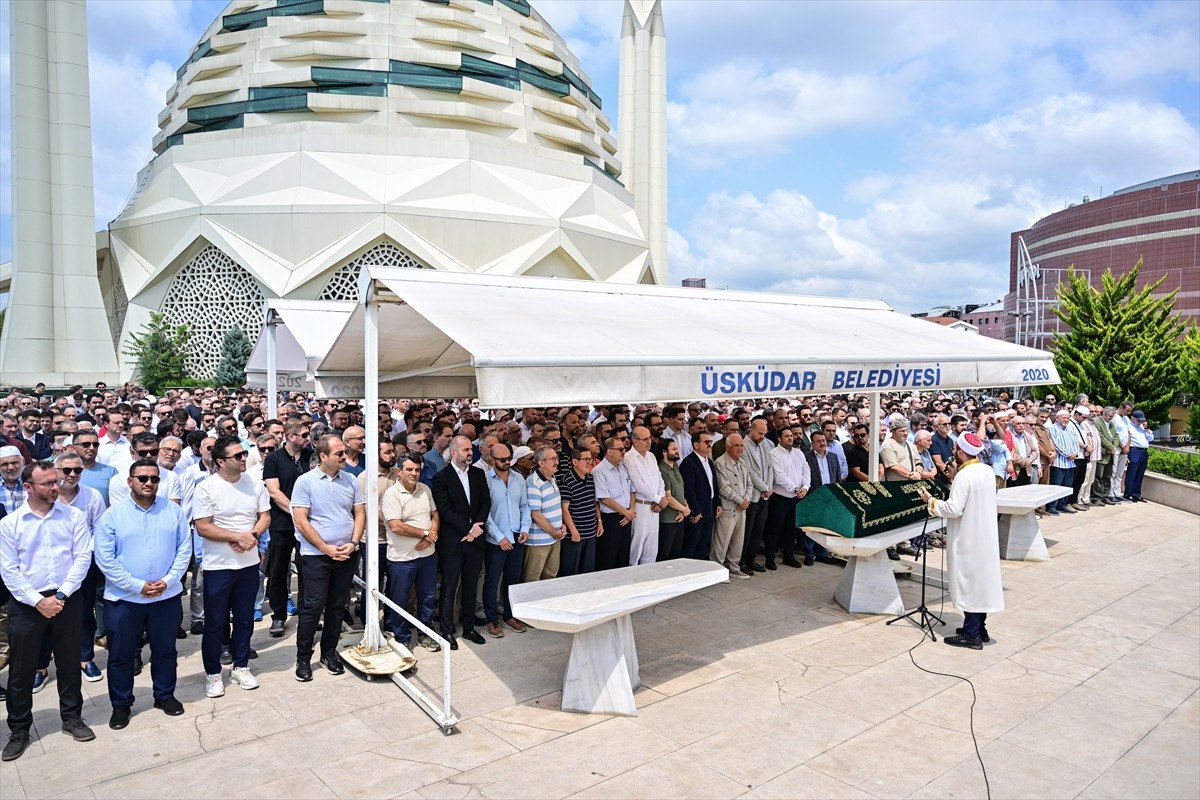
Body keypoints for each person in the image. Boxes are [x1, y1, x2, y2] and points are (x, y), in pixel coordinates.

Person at [0, 462, 95, 761]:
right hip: (27, 603)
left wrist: (63, 593)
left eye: (56, 481)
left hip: (68, 597)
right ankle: (19, 729)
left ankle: (72, 718)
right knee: (21, 670)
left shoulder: (74, 515)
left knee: (69, 663)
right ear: (28, 487)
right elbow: (9, 569)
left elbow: (82, 556)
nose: (56, 487)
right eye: (48, 484)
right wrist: (37, 601)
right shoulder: (10, 524)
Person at [94, 459, 192, 729]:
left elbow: (184, 549)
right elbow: (105, 558)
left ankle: (164, 695)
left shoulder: (173, 511)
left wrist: (169, 580)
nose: (149, 483)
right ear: (130, 481)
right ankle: (121, 705)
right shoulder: (112, 515)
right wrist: (137, 585)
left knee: (165, 650)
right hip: (125, 599)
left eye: (154, 478)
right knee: (121, 655)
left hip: (165, 596)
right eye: (142, 478)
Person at [194, 436, 270, 697]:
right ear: (220, 462)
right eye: (237, 456)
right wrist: (237, 537)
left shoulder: (254, 483)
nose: (243, 459)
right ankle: (213, 673)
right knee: (215, 622)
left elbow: (265, 516)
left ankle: (241, 666)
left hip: (247, 564)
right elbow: (203, 526)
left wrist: (254, 537)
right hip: (219, 566)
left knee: (245, 618)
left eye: (244, 454)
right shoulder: (207, 488)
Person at [917, 433, 1004, 650]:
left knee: (970, 585)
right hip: (984, 536)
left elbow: (953, 509)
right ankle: (979, 628)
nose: (952, 452)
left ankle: (971, 635)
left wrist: (930, 500)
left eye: (955, 449)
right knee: (979, 583)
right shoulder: (985, 470)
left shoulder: (964, 477)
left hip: (969, 538)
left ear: (961, 452)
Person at [290, 435, 364, 681]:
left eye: (344, 452)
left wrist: (353, 543)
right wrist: (325, 547)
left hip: (346, 554)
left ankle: (329, 653)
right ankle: (303, 658)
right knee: (313, 607)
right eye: (339, 454)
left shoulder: (351, 480)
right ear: (323, 456)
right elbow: (300, 520)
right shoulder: (305, 482)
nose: (345, 457)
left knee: (337, 605)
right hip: (315, 556)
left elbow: (359, 513)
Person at [430, 435, 490, 649]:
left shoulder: (478, 474)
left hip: (475, 541)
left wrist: (476, 530)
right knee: (449, 587)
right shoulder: (441, 478)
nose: (470, 452)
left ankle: (469, 628)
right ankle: (447, 631)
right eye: (465, 449)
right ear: (454, 453)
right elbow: (445, 510)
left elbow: (485, 502)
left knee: (471, 586)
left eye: (470, 449)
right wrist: (468, 528)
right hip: (453, 543)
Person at [381, 454, 441, 652]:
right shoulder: (392, 494)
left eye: (417, 469)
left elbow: (434, 514)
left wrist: (430, 536)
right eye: (409, 469)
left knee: (427, 597)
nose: (414, 473)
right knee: (401, 599)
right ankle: (401, 637)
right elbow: (396, 526)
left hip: (427, 555)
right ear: (399, 472)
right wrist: (425, 533)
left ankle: (426, 633)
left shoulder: (425, 489)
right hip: (402, 559)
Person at [262, 419, 312, 638]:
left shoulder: (311, 456)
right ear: (291, 436)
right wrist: (296, 512)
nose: (308, 438)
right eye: (304, 434)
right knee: (278, 572)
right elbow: (274, 491)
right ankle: (279, 616)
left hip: (308, 523)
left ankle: (306, 612)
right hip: (281, 525)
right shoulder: (273, 459)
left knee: (307, 569)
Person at [483, 443, 530, 638]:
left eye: (509, 458)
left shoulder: (518, 478)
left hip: (517, 536)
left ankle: (510, 615)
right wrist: (499, 536)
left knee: (513, 579)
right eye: (502, 459)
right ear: (491, 460)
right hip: (496, 540)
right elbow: (484, 513)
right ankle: (491, 619)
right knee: (492, 581)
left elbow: (525, 506)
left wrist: (525, 529)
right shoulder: (485, 479)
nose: (506, 462)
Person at [762, 427, 808, 570]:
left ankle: (789, 556)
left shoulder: (799, 453)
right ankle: (770, 558)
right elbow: (779, 475)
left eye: (791, 436)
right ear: (779, 439)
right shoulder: (773, 453)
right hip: (780, 497)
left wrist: (805, 487)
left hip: (797, 496)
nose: (790, 438)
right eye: (786, 436)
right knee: (774, 528)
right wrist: (794, 488)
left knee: (791, 529)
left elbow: (806, 470)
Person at [712, 435, 753, 580]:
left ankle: (734, 567)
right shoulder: (720, 463)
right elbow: (723, 487)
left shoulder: (743, 462)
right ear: (728, 446)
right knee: (722, 541)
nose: (740, 449)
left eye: (741, 445)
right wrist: (740, 500)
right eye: (736, 445)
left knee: (738, 540)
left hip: (742, 508)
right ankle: (717, 570)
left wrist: (746, 499)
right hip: (728, 507)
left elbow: (749, 483)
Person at [593, 436, 636, 571]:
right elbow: (605, 499)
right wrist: (627, 512)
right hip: (611, 519)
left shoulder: (623, 467)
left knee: (623, 558)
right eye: (620, 449)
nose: (624, 452)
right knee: (608, 558)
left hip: (626, 517)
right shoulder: (599, 470)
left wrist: (631, 511)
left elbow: (632, 491)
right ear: (609, 451)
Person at [623, 427, 665, 565]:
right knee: (636, 547)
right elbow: (638, 485)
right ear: (635, 441)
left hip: (654, 507)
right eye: (645, 439)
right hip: (640, 507)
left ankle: (649, 581)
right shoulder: (628, 458)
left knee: (651, 549)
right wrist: (658, 499)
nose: (649, 441)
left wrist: (660, 499)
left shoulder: (651, 456)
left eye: (649, 438)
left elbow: (660, 479)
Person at [523, 445, 565, 581]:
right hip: (539, 541)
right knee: (533, 577)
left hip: (555, 537)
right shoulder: (533, 482)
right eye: (553, 459)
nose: (557, 462)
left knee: (551, 574)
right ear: (541, 463)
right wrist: (554, 531)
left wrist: (561, 525)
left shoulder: (552, 478)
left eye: (556, 458)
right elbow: (535, 514)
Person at [559, 448, 600, 577]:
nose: (589, 462)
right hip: (574, 537)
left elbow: (595, 503)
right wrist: (574, 531)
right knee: (571, 572)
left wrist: (599, 522)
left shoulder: (590, 478)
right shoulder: (567, 481)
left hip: (591, 533)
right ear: (575, 461)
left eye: (590, 459)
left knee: (587, 572)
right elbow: (564, 509)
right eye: (585, 459)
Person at [680, 432, 721, 560]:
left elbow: (713, 484)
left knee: (704, 541)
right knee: (692, 542)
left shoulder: (709, 461)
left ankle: (700, 571)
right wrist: (695, 510)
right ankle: (689, 573)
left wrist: (718, 503)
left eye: (710, 442)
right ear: (696, 445)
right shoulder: (689, 463)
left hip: (709, 506)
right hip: (697, 510)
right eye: (707, 442)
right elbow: (689, 490)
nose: (710, 444)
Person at [656, 441, 690, 561]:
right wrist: (685, 510)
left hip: (679, 517)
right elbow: (668, 498)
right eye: (674, 449)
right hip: (667, 520)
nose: (677, 451)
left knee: (676, 553)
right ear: (664, 452)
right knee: (665, 554)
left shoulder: (675, 467)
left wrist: (685, 508)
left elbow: (680, 492)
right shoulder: (662, 470)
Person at [1123, 410, 1151, 502]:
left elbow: (1150, 438)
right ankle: (1128, 494)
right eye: (1138, 420)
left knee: (1140, 473)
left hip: (1143, 451)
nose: (1140, 422)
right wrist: (1126, 455)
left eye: (1142, 421)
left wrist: (1146, 428)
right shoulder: (1129, 426)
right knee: (1132, 473)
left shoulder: (1142, 427)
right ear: (1132, 419)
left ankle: (1136, 494)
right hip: (1134, 450)